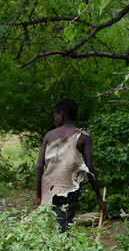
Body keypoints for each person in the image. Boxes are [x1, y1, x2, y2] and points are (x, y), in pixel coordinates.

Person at [35, 99, 107, 231]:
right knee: (64, 225)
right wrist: (99, 197)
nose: (55, 119)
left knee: (47, 225)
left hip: (47, 189)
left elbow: (39, 166)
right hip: (68, 190)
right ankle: (62, 249)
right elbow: (90, 168)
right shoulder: (84, 136)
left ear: (61, 115)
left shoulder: (49, 135)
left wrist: (39, 195)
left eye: (55, 116)